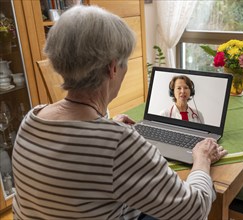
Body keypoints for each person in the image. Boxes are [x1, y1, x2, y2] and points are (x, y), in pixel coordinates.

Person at [11, 5, 228, 220]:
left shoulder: (32, 119)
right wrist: (201, 158)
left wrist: (107, 124)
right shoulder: (117, 143)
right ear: (112, 68)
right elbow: (194, 210)